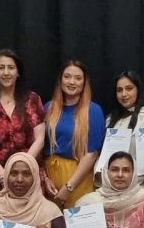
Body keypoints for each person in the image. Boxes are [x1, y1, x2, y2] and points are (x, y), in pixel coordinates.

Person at [0, 48, 46, 200]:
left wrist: (21, 169)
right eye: (1, 68)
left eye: (11, 67)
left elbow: (40, 139)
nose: (6, 72)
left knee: (32, 223)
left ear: (18, 72)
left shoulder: (32, 99)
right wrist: (4, 175)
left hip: (29, 176)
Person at [43, 60, 105, 208]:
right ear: (60, 80)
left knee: (77, 227)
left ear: (84, 82)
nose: (72, 82)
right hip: (49, 180)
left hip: (78, 179)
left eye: (78, 78)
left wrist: (69, 187)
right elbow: (40, 146)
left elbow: (92, 154)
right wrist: (44, 178)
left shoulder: (93, 111)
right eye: (67, 76)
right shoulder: (48, 108)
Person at [105, 70, 144, 189]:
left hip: (139, 191)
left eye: (129, 88)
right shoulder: (110, 119)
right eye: (119, 90)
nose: (124, 94)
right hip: (111, 191)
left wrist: (125, 183)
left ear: (138, 89)